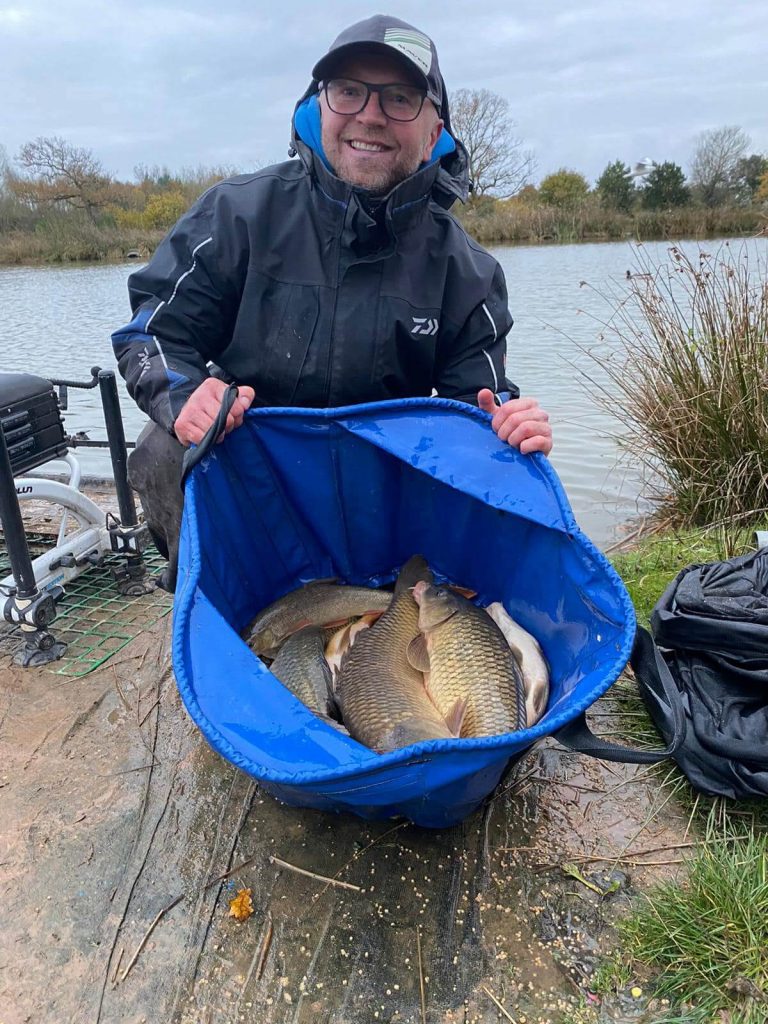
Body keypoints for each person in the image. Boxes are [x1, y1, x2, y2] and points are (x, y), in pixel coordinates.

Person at [112, 14, 552, 590]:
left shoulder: (468, 271)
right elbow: (151, 333)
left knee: (512, 463)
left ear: (432, 130)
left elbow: (476, 407)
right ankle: (209, 596)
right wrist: (185, 394)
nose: (370, 114)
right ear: (320, 105)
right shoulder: (236, 214)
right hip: (253, 471)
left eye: (400, 97)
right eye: (349, 91)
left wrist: (509, 422)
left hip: (384, 491)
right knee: (158, 447)